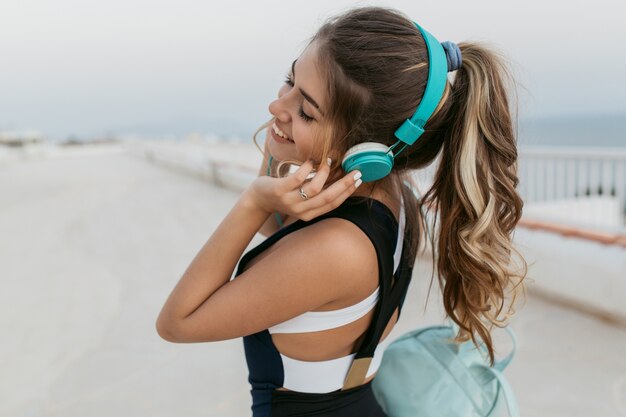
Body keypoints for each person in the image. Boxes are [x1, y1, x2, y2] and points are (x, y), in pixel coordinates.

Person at [156, 6, 527, 416]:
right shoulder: (391, 195)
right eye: (289, 80)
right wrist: (287, 134)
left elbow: (178, 323)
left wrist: (253, 199)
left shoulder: (337, 248)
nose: (275, 106)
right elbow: (277, 227)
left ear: (365, 150)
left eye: (307, 111)